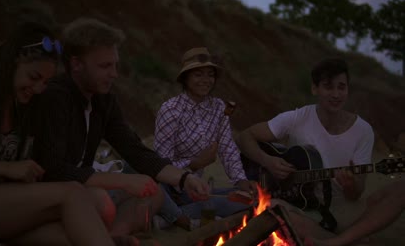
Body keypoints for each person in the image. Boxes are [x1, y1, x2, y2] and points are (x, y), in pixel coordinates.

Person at [0, 22, 117, 246]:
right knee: (72, 194)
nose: (40, 88)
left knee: (77, 227)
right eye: (34, 77)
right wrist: (5, 168)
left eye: (46, 82)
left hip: (1, 205)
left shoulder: (29, 105)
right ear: (11, 64)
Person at [32, 18, 210, 237]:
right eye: (105, 66)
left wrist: (185, 179)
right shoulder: (55, 97)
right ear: (76, 64)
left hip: (86, 190)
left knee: (154, 194)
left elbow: (134, 150)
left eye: (115, 65)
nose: (114, 73)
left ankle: (115, 236)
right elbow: (53, 169)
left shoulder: (103, 101)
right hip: (55, 193)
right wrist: (123, 180)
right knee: (101, 200)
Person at [236, 58, 375, 240]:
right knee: (266, 205)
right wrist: (268, 161)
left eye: (341, 87)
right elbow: (244, 137)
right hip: (297, 204)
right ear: (314, 89)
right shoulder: (297, 118)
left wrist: (350, 185)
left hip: (338, 211)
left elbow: (356, 194)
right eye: (328, 86)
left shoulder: (363, 131)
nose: (336, 94)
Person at [153, 47, 256, 229]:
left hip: (197, 191)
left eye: (210, 75)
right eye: (198, 75)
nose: (206, 80)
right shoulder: (171, 110)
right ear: (185, 78)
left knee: (250, 198)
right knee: (208, 205)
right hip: (169, 189)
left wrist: (241, 180)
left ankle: (171, 217)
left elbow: (227, 148)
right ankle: (173, 216)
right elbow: (161, 164)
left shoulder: (219, 108)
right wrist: (194, 164)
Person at [306, 178, 405, 246]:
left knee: (401, 188)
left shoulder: (362, 146)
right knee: (291, 219)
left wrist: (350, 185)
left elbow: (355, 194)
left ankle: (337, 241)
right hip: (303, 209)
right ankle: (349, 239)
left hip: (341, 205)